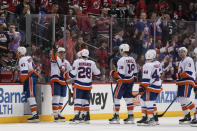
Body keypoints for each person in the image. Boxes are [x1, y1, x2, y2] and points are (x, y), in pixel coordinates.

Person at [64, 49, 101, 124]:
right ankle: (86, 115)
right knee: (85, 100)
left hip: (79, 84)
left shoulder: (77, 62)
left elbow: (72, 74)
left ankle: (77, 116)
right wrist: (91, 74)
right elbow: (98, 74)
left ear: (81, 55)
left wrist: (65, 75)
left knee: (78, 100)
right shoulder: (92, 63)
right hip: (88, 85)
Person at [109, 44, 137, 124]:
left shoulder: (121, 60)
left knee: (116, 98)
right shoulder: (132, 59)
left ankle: (116, 116)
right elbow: (135, 73)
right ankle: (131, 116)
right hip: (130, 81)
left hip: (123, 82)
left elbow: (121, 76)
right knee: (128, 99)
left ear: (122, 50)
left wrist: (113, 73)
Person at [137, 49, 162, 126]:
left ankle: (151, 119)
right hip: (158, 85)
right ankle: (152, 118)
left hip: (150, 86)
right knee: (144, 100)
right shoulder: (158, 63)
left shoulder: (147, 65)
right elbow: (160, 73)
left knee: (148, 102)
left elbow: (146, 79)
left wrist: (141, 88)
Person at [17, 46, 40, 122]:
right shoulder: (28, 57)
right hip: (33, 75)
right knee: (31, 95)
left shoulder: (22, 59)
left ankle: (35, 115)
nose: (17, 53)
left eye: (18, 52)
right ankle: (35, 114)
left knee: (30, 95)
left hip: (30, 77)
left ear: (20, 53)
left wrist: (19, 80)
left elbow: (24, 73)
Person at [175, 47, 197, 125]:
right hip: (182, 82)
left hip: (188, 81)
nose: (181, 53)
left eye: (182, 52)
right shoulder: (180, 62)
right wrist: (177, 77)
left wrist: (179, 76)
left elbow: (188, 72)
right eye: (180, 52)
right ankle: (187, 116)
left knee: (185, 99)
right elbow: (180, 74)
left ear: (186, 52)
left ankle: (196, 112)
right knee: (181, 99)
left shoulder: (189, 59)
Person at [50, 47, 71, 122]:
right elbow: (53, 57)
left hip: (63, 81)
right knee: (56, 97)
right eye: (60, 52)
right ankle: (55, 114)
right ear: (58, 53)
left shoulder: (67, 62)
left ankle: (59, 113)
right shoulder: (56, 59)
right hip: (56, 80)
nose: (62, 54)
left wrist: (65, 74)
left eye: (63, 52)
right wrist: (54, 51)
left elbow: (70, 72)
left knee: (62, 97)